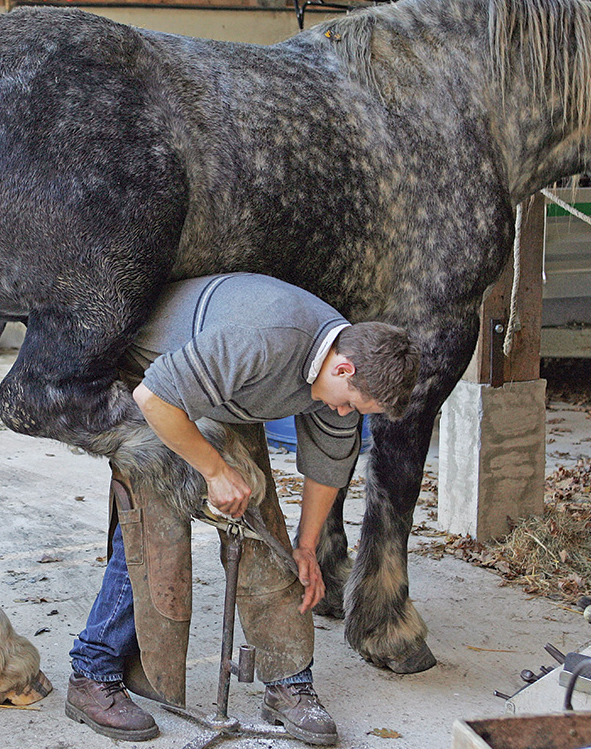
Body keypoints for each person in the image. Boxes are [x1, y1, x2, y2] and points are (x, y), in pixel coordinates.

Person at [64, 273, 420, 745]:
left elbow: (330, 468)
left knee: (262, 526)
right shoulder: (264, 340)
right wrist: (213, 470)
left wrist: (308, 546)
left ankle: (288, 683)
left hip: (227, 394)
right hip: (150, 383)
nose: (344, 414)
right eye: (350, 404)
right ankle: (92, 674)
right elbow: (155, 398)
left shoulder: (341, 372)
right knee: (154, 535)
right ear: (343, 370)